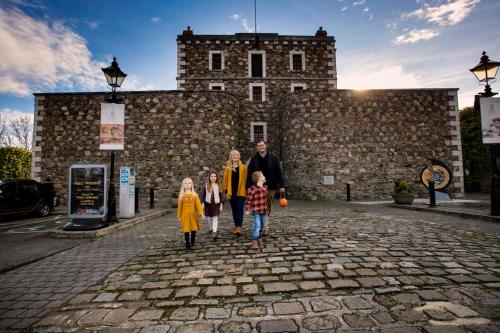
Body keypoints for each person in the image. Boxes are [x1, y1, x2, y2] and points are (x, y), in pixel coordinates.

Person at [246, 140, 285, 235]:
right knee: (259, 205)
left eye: (262, 145)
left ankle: (265, 226)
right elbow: (249, 173)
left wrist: (282, 185)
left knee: (267, 205)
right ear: (257, 147)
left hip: (270, 186)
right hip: (257, 186)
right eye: (259, 145)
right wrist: (248, 186)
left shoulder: (273, 157)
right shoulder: (254, 159)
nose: (261, 147)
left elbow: (278, 172)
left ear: (266, 146)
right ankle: (260, 224)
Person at [222, 150, 248, 236]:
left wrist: (248, 190)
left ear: (239, 156)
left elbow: (246, 180)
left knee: (239, 209)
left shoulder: (243, 167)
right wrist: (225, 190)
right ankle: (236, 225)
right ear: (231, 156)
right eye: (233, 155)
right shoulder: (227, 168)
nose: (235, 156)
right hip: (231, 192)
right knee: (234, 210)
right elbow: (225, 180)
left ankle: (239, 227)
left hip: (241, 192)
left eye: (237, 155)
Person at [177, 178, 204, 250]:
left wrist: (201, 213)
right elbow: (179, 207)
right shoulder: (181, 196)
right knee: (186, 229)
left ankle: (192, 240)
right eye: (185, 183)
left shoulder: (195, 195)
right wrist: (179, 216)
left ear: (192, 185)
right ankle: (187, 243)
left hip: (193, 215)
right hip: (184, 215)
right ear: (183, 185)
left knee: (193, 228)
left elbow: (198, 205)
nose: (187, 184)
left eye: (189, 183)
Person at [245, 171, 269, 250]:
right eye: (263, 175)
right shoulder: (253, 189)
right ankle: (254, 241)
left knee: (262, 226)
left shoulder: (264, 188)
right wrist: (247, 209)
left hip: (263, 211)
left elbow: (265, 202)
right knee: (257, 225)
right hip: (256, 211)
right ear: (259, 179)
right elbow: (249, 200)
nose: (264, 176)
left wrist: (267, 211)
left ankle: (259, 238)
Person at [200, 171, 224, 240]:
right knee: (209, 218)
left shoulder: (218, 185)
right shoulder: (206, 185)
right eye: (212, 176)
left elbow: (221, 196)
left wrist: (221, 204)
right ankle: (210, 229)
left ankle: (214, 232)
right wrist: (202, 203)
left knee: (215, 218)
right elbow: (203, 195)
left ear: (217, 177)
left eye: (215, 176)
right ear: (209, 177)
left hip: (216, 204)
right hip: (208, 204)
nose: (213, 178)